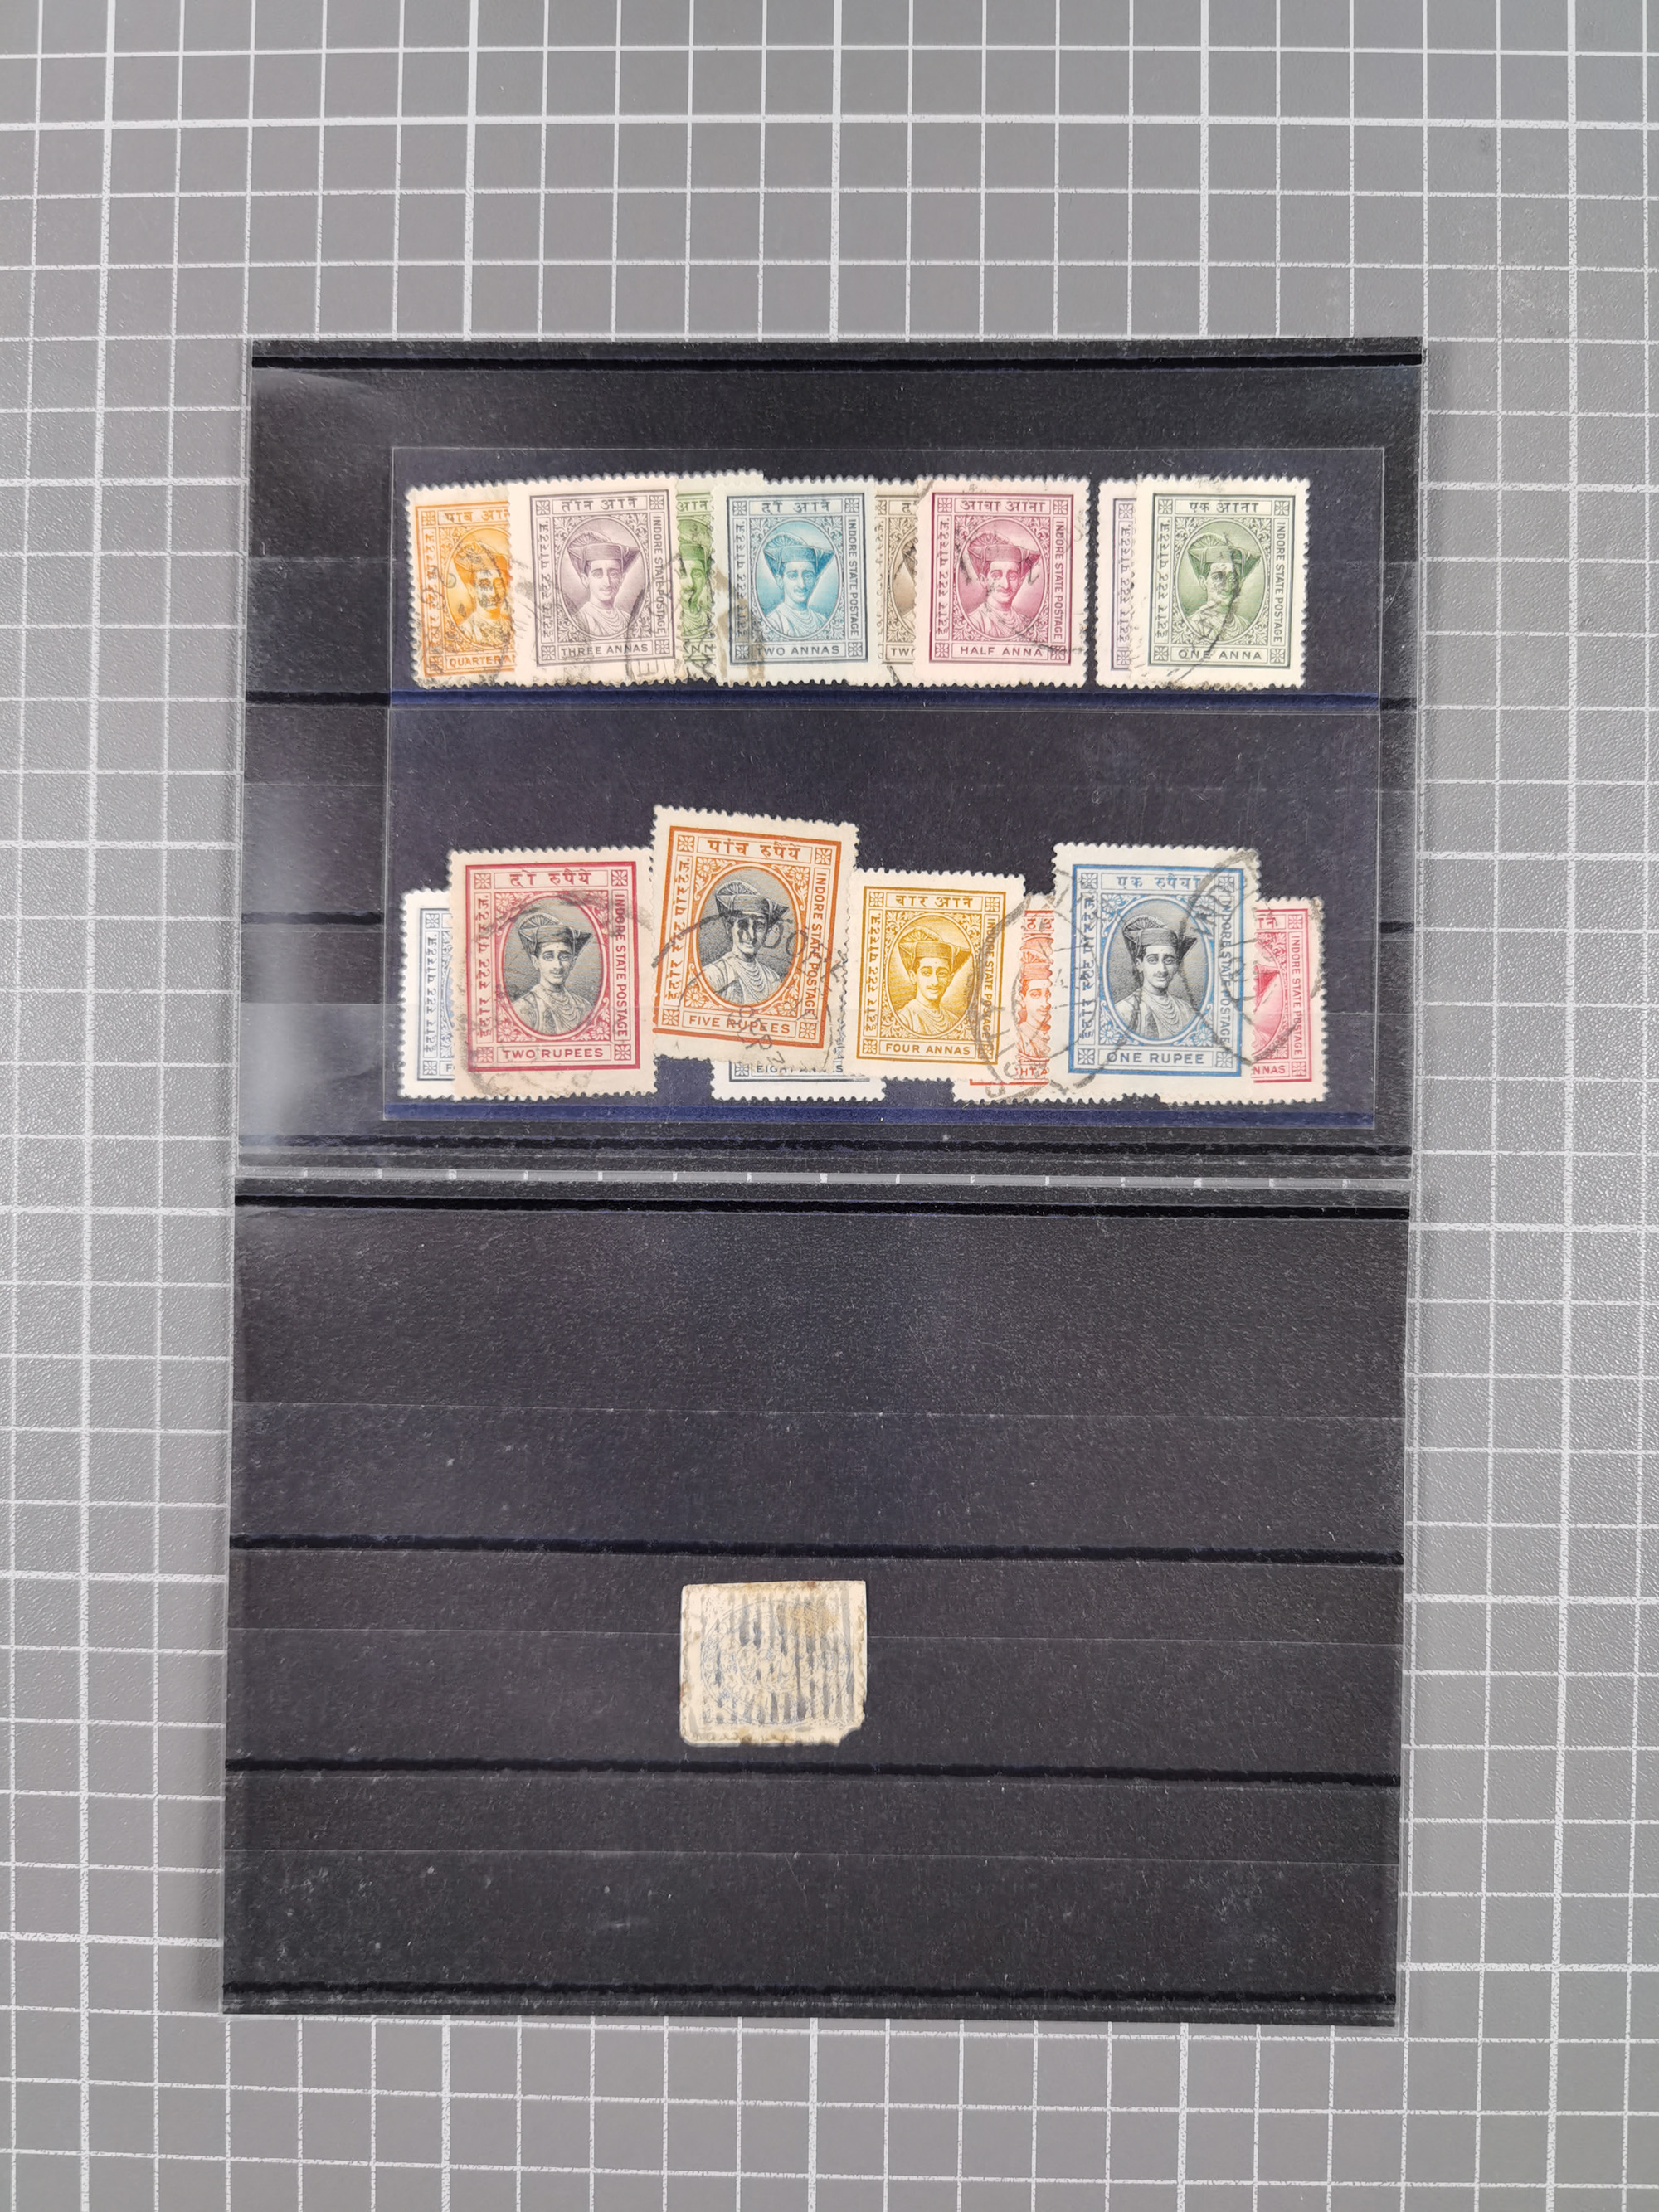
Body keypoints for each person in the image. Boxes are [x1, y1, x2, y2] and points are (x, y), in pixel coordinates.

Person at [703, 878, 791, 1004]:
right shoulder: (714, 975)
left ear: (767, 932)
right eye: (743, 925)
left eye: (759, 926)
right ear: (729, 928)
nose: (751, 935)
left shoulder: (772, 979)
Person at [1111, 916, 1199, 1040]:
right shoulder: (1124, 1011)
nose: (1162, 969)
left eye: (1169, 961)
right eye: (1153, 960)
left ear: (1177, 966)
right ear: (1139, 964)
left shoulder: (1187, 1010)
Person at [509, 909, 594, 1034]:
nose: (558, 966)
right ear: (535, 962)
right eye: (548, 957)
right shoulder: (523, 1008)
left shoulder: (584, 1007)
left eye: (564, 957)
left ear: (573, 962)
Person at [958, 530, 1042, 639]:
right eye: (997, 576)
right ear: (984, 580)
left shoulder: (1026, 623)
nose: (1006, 585)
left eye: (1012, 576)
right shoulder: (975, 622)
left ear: (1020, 582)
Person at [1182, 530, 1259, 645]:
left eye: (1232, 578)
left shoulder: (1244, 625)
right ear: (1203, 582)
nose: (1226, 587)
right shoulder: (1194, 626)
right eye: (1218, 577)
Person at [893, 929, 970, 1036]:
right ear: (913, 976)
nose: (935, 982)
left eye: (942, 973)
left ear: (950, 979)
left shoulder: (954, 1020)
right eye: (926, 972)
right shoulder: (904, 1019)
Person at [564, 527, 639, 638]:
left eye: (613, 574)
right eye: (598, 574)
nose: (607, 583)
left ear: (621, 578)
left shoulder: (628, 619)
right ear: (585, 579)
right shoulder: (579, 622)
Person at [759, 531, 834, 638]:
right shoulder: (775, 622)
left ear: (816, 580)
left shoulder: (821, 620)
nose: (802, 584)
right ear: (780, 580)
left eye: (808, 576)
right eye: (793, 576)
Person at [449, 536, 511, 650]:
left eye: (498, 584)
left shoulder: (512, 629)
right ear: (471, 590)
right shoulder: (465, 632)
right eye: (484, 585)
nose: (493, 593)